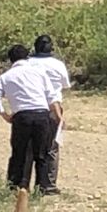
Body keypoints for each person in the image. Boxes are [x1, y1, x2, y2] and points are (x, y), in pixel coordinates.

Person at [0, 42, 62, 197]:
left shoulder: (6, 76)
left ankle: (17, 187)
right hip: (42, 115)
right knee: (42, 154)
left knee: (20, 153)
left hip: (22, 117)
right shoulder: (39, 72)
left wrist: (4, 114)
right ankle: (42, 188)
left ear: (10, 60)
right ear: (27, 56)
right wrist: (58, 116)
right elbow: (52, 95)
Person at [27, 34, 71, 195]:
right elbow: (65, 85)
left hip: (30, 107)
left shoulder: (27, 63)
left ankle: (23, 184)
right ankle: (47, 185)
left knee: (29, 148)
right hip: (53, 109)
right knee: (51, 148)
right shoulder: (58, 65)